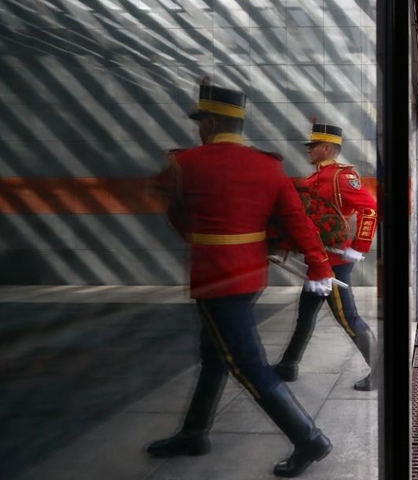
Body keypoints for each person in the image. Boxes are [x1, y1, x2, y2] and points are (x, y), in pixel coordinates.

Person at [147, 82, 335, 478]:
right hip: (251, 273)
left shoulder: (188, 163)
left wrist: (202, 237)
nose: (199, 128)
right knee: (214, 354)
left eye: (201, 122)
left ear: (210, 121)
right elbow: (295, 220)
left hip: (216, 276)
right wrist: (318, 264)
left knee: (247, 365)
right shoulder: (268, 165)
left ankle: (308, 440)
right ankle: (194, 431)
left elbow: (176, 213)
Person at [273, 123, 380, 391]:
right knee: (305, 316)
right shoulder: (311, 180)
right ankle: (288, 365)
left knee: (348, 318)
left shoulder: (341, 177)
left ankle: (381, 371)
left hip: (334, 263)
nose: (308, 151)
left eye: (313, 146)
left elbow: (370, 209)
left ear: (328, 148)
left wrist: (359, 246)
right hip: (316, 261)